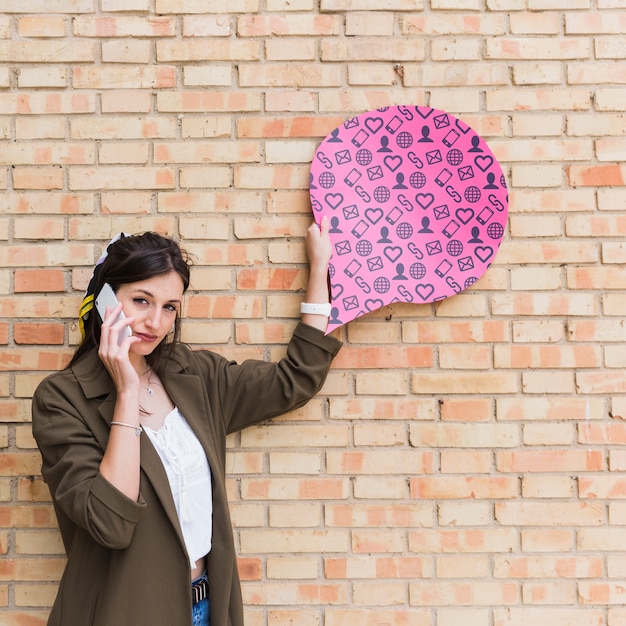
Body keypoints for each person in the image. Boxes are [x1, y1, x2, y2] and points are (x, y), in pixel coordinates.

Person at [31, 218, 342, 626]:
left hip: (204, 608)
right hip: (121, 613)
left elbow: (292, 381)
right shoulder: (62, 399)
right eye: (141, 300)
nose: (155, 322)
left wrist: (320, 269)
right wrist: (126, 392)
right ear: (106, 299)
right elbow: (110, 524)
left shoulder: (194, 376)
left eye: (169, 307)